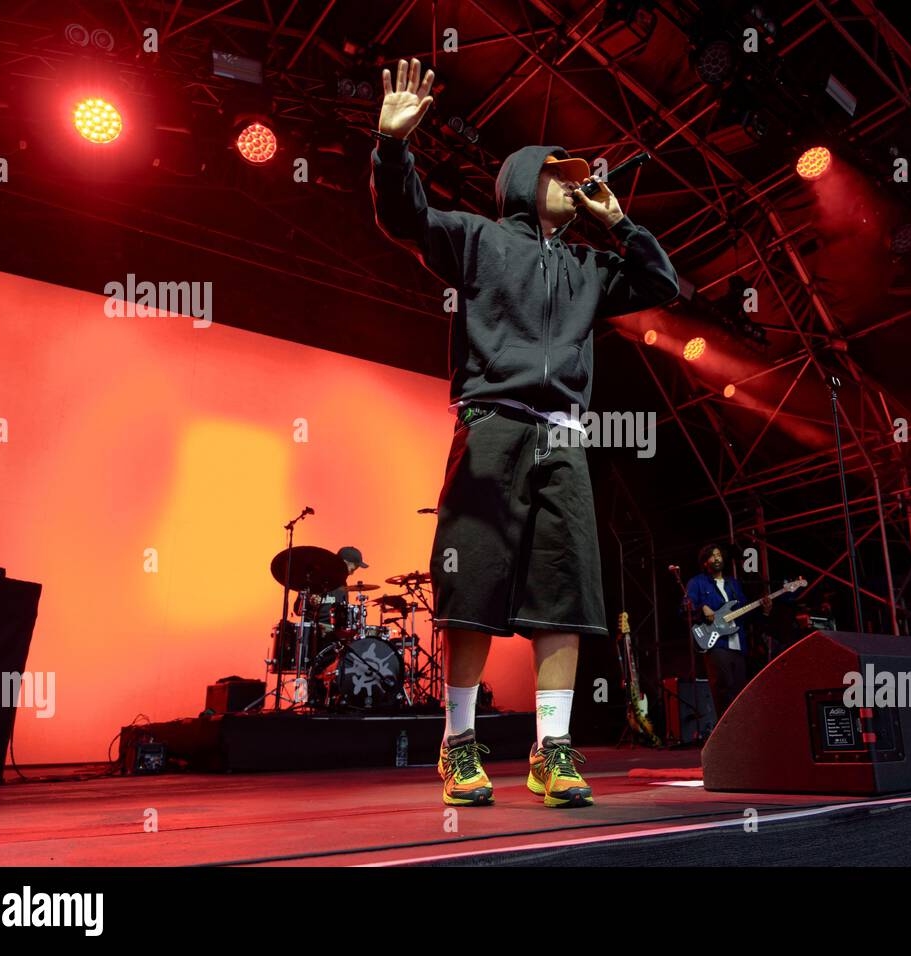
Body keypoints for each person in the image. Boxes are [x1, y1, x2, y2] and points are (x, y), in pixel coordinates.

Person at [371, 59, 679, 808]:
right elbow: (403, 217)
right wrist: (391, 149)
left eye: (579, 176)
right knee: (470, 588)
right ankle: (460, 745)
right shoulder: (477, 239)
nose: (574, 183)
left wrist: (618, 222)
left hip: (564, 439)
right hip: (492, 427)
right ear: (521, 181)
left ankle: (554, 751)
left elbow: (664, 286)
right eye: (560, 173)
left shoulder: (589, 266)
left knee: (565, 596)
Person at [685, 544, 771, 723]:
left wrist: (764, 611)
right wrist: (701, 609)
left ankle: (738, 730)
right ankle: (725, 734)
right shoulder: (697, 582)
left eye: (719, 555)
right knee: (724, 687)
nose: (717, 558)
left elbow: (744, 612)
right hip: (716, 642)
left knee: (740, 690)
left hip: (738, 643)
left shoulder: (733, 584)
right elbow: (685, 607)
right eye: (712, 556)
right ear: (705, 562)